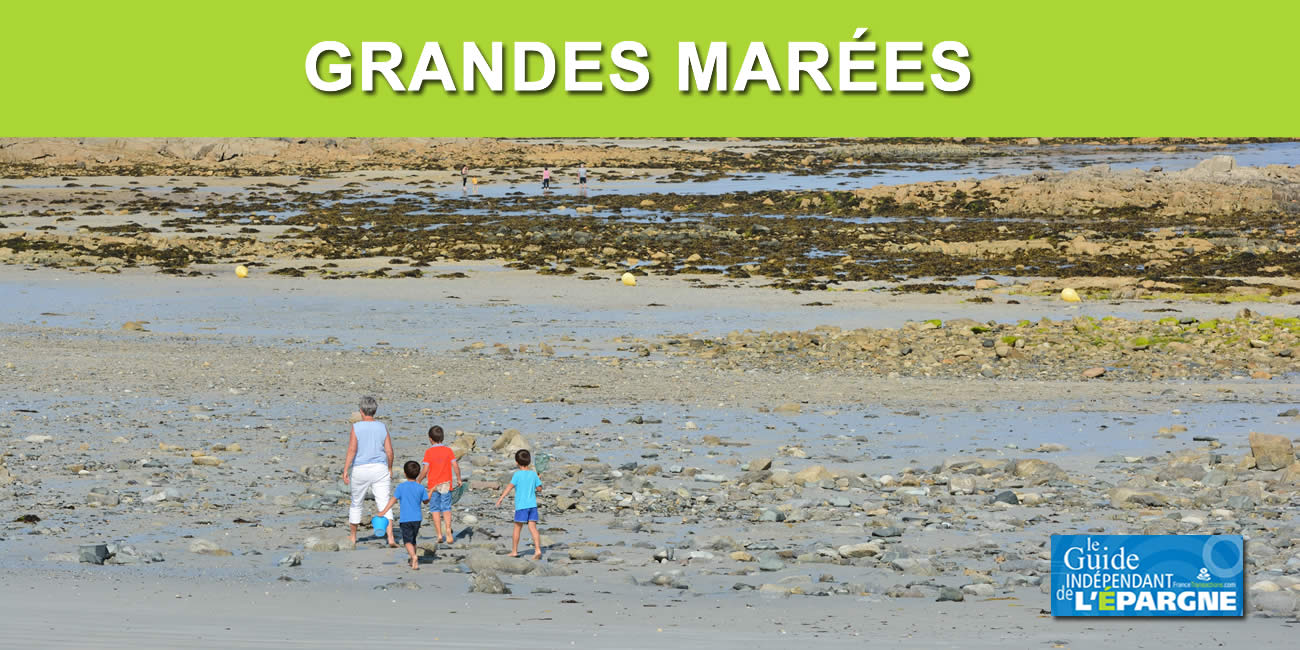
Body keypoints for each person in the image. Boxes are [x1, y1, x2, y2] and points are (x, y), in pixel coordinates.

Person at [342, 396, 396, 547]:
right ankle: (391, 537)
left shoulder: (356, 427)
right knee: (384, 503)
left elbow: (352, 450)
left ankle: (353, 536)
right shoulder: (382, 427)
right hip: (380, 468)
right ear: (375, 410)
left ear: (361, 411)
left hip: (361, 468)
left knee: (356, 503)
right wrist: (390, 467)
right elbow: (389, 451)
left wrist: (346, 469)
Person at [378, 461, 429, 570]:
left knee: (407, 541)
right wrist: (432, 491)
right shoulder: (420, 487)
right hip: (417, 519)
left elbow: (393, 500)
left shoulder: (401, 487)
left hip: (405, 519)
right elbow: (425, 501)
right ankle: (412, 560)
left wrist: (384, 511)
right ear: (418, 473)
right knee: (413, 540)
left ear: (405, 474)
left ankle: (413, 556)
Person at [494, 449, 543, 559]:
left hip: (522, 507)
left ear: (516, 462)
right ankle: (538, 550)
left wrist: (501, 498)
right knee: (533, 528)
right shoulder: (533, 474)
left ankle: (514, 551)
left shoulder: (517, 475)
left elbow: (509, 487)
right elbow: (539, 489)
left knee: (517, 528)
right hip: (532, 506)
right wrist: (539, 479)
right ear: (529, 462)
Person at [416, 425, 461, 545]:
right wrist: (459, 479)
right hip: (446, 484)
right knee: (446, 508)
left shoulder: (429, 452)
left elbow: (425, 470)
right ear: (443, 437)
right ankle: (448, 530)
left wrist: (419, 480)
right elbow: (455, 466)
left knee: (435, 509)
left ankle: (439, 535)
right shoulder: (448, 450)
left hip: (433, 486)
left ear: (430, 439)